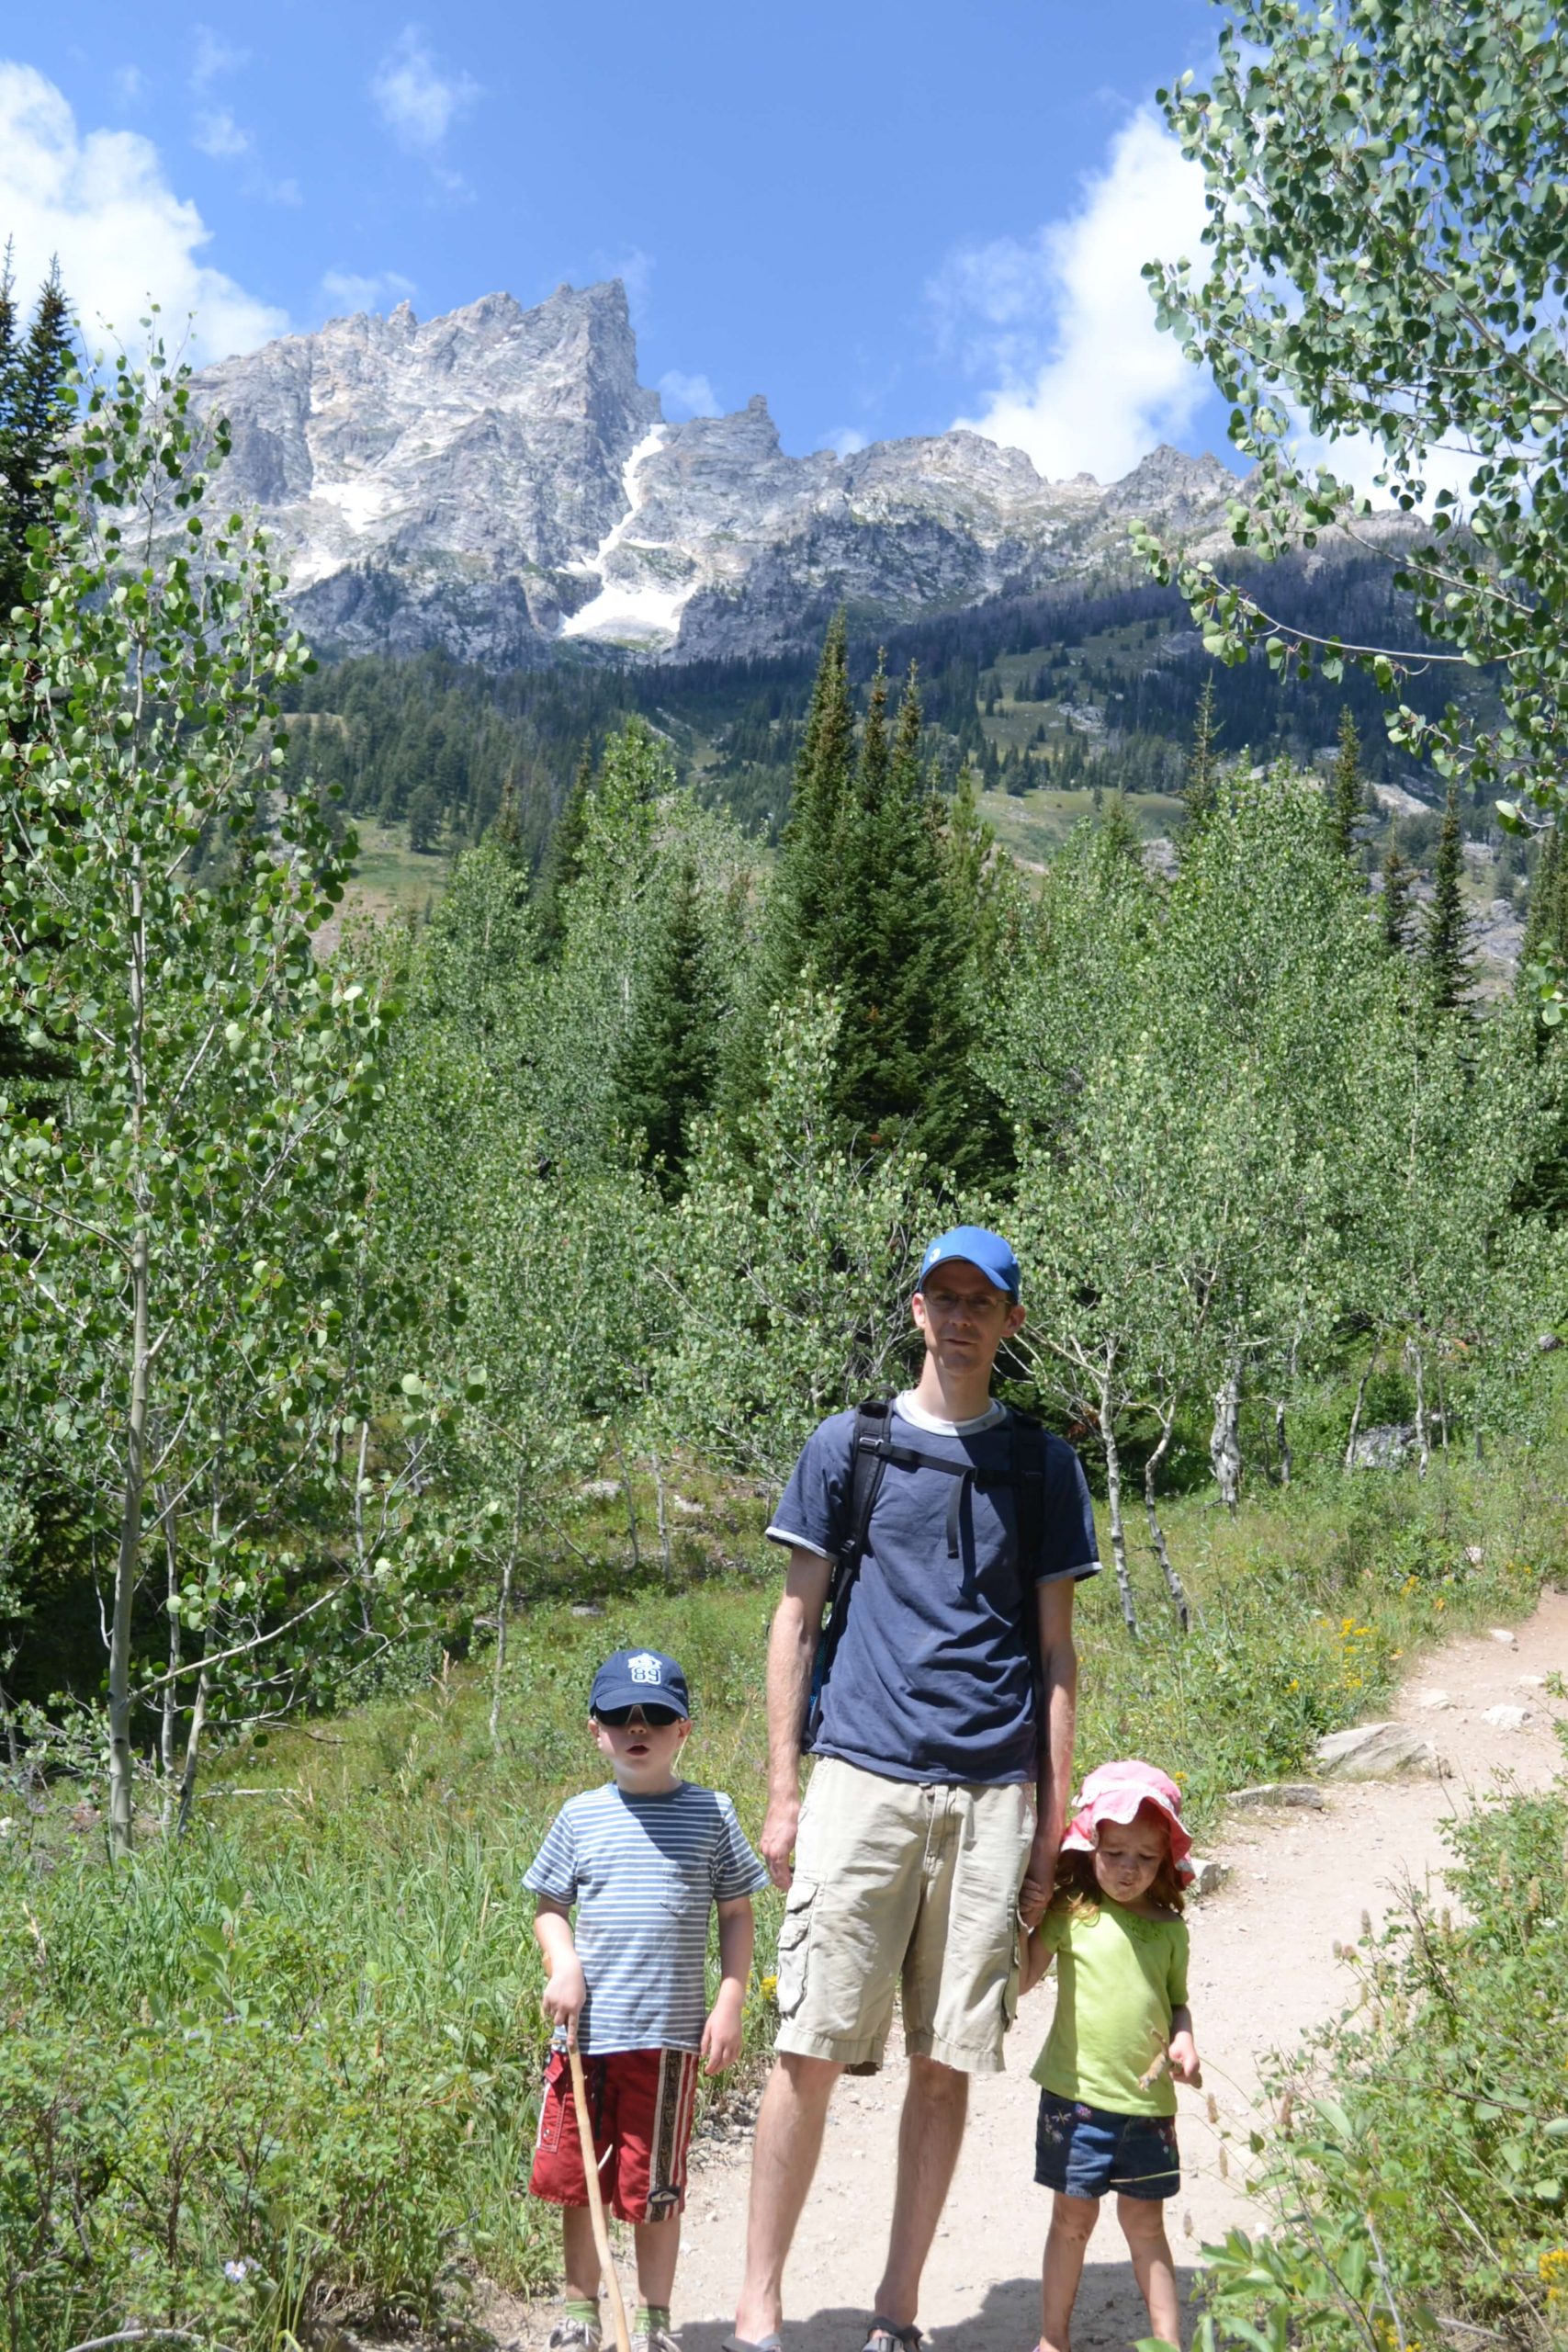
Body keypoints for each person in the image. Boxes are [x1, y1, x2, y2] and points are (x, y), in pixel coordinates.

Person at [728, 1226, 1100, 2352]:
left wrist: (1050, 1832)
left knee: (946, 2066)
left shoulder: (1043, 1466)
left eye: (982, 1298)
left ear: (1012, 1322)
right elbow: (794, 1620)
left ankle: (896, 2308)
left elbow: (1058, 1657)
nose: (960, 1315)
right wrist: (784, 1789)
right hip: (861, 1779)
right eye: (943, 1294)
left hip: (992, 1797)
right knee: (807, 2048)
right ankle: (757, 2306)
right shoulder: (851, 1446)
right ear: (914, 1308)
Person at [527, 1646, 769, 2352]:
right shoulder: (579, 1817)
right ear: (593, 1729)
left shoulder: (711, 1813)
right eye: (620, 1717)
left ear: (683, 1730)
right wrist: (562, 1961)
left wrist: (729, 2002)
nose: (639, 1729)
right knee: (582, 2181)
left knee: (653, 2184)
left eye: (656, 1717)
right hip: (585, 2036)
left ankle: (655, 2320)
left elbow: (735, 1912)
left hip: (667, 2040)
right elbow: (548, 1904)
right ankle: (578, 2314)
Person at [1021, 1758, 1202, 2352]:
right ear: (1089, 1844)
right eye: (1114, 1852)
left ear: (1166, 1863)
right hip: (1074, 2104)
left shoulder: (1168, 1930)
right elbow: (1022, 1976)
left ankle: (1166, 2343)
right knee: (1070, 2223)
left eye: (1144, 1858)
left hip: (1147, 2108)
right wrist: (1015, 1920)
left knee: (1145, 2226)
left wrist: (1184, 2038)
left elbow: (1176, 2004)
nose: (1127, 1870)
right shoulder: (1071, 1915)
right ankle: (1053, 2339)